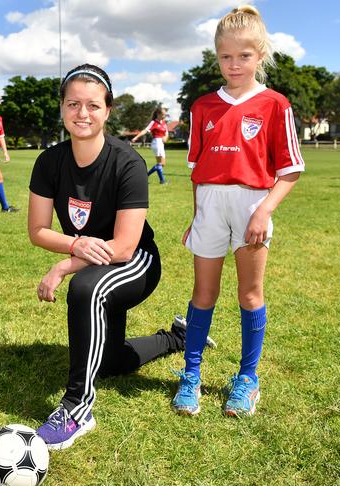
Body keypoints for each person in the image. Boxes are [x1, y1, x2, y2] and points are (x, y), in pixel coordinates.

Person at [28, 64, 213, 450]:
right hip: (94, 258)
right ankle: (176, 336)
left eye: (93, 105)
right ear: (62, 108)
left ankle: (77, 408)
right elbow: (38, 230)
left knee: (84, 289)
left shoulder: (126, 162)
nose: (82, 113)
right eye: (73, 104)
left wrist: (65, 263)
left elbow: (125, 246)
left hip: (136, 263)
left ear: (107, 110)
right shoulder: (49, 162)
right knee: (110, 362)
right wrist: (75, 246)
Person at [171, 5, 304, 417]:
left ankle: (247, 379)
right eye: (226, 56)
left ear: (260, 55)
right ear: (217, 57)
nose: (234, 64)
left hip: (252, 205)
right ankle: (191, 375)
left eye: (244, 56)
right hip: (210, 204)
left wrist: (263, 212)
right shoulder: (203, 107)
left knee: (249, 294)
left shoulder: (275, 104)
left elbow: (290, 170)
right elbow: (197, 173)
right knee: (203, 293)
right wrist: (196, 216)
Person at [131, 107, 169, 184]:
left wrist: (166, 137)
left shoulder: (164, 123)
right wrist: (136, 137)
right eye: (163, 114)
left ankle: (147, 176)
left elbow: (166, 133)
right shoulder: (153, 122)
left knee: (162, 164)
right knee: (160, 163)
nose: (165, 116)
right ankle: (162, 180)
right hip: (156, 142)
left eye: (165, 114)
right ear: (158, 114)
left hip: (161, 143)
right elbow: (145, 130)